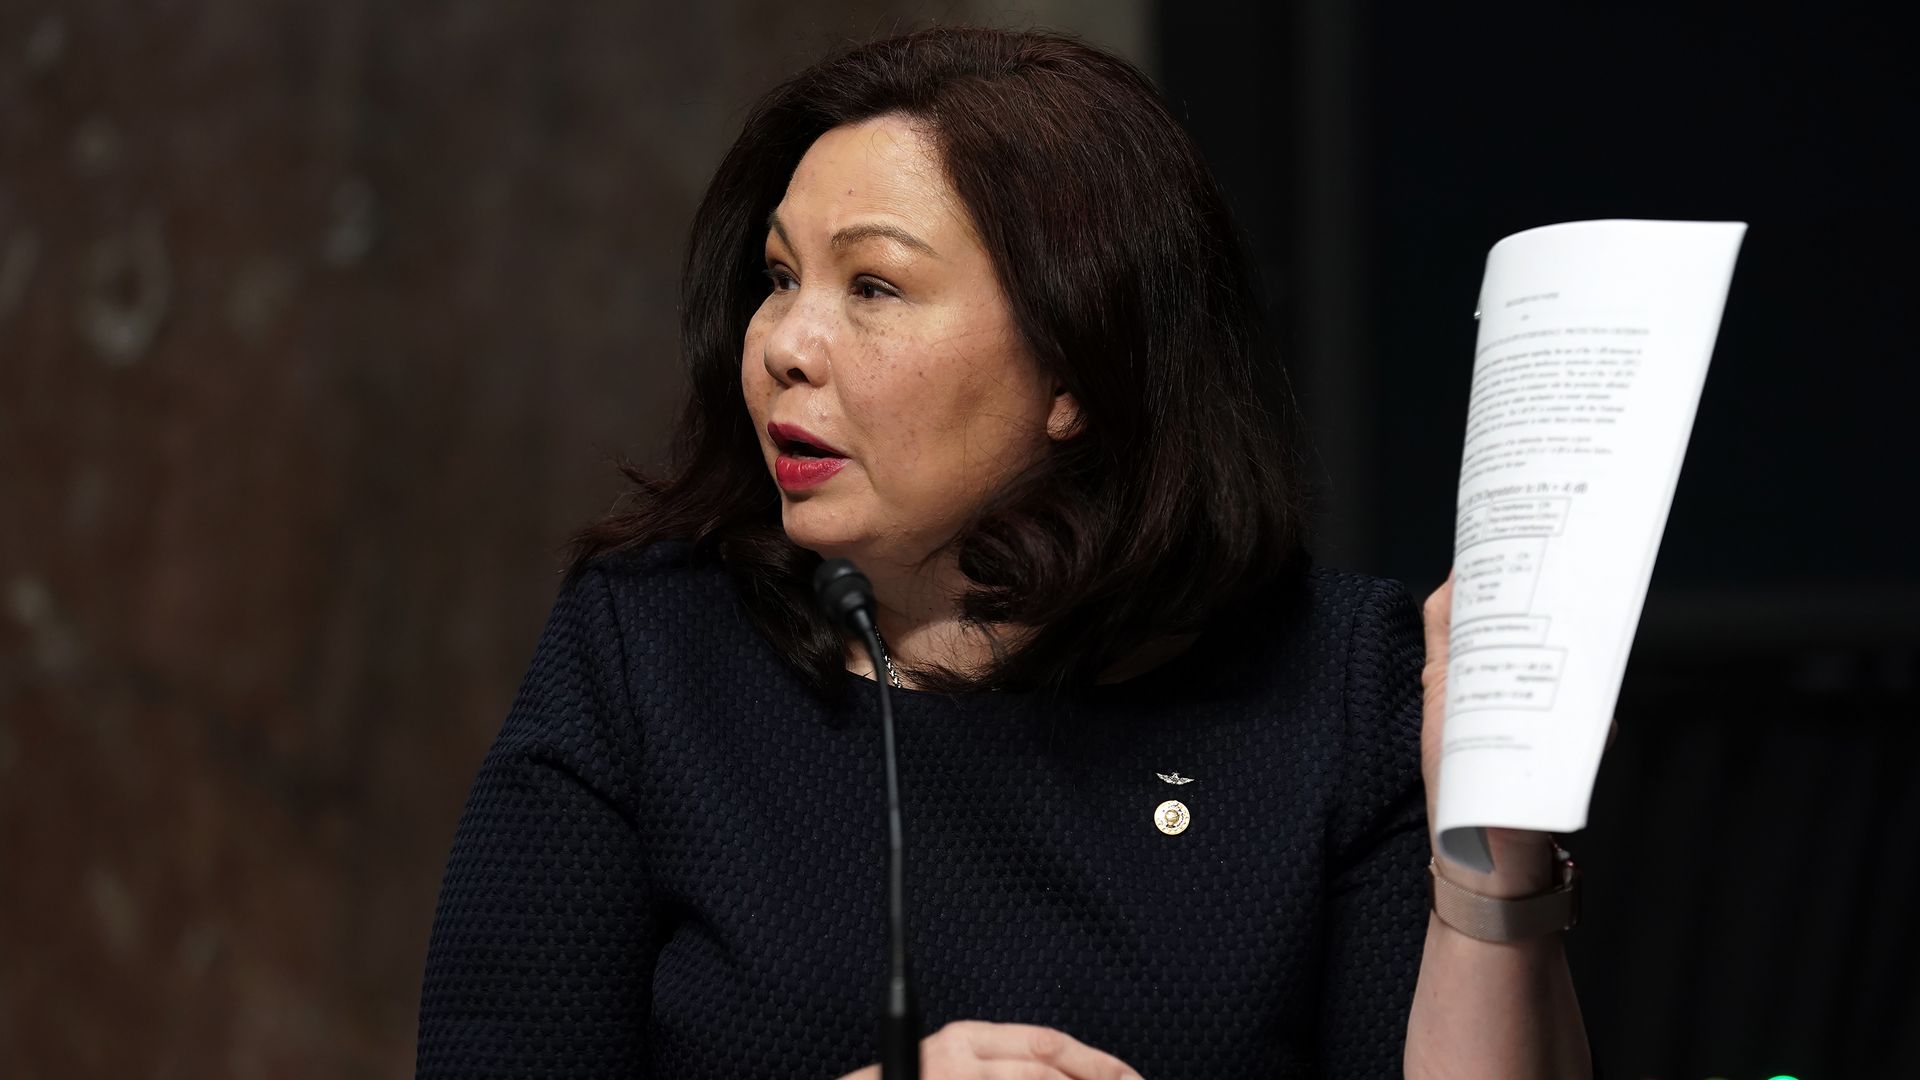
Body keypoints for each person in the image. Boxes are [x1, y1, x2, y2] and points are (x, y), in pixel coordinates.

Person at [416, 25, 1590, 1080]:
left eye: (872, 286)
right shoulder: (650, 650)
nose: (785, 344)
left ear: (1078, 373)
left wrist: (1489, 871)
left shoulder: (1342, 686)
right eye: (779, 279)